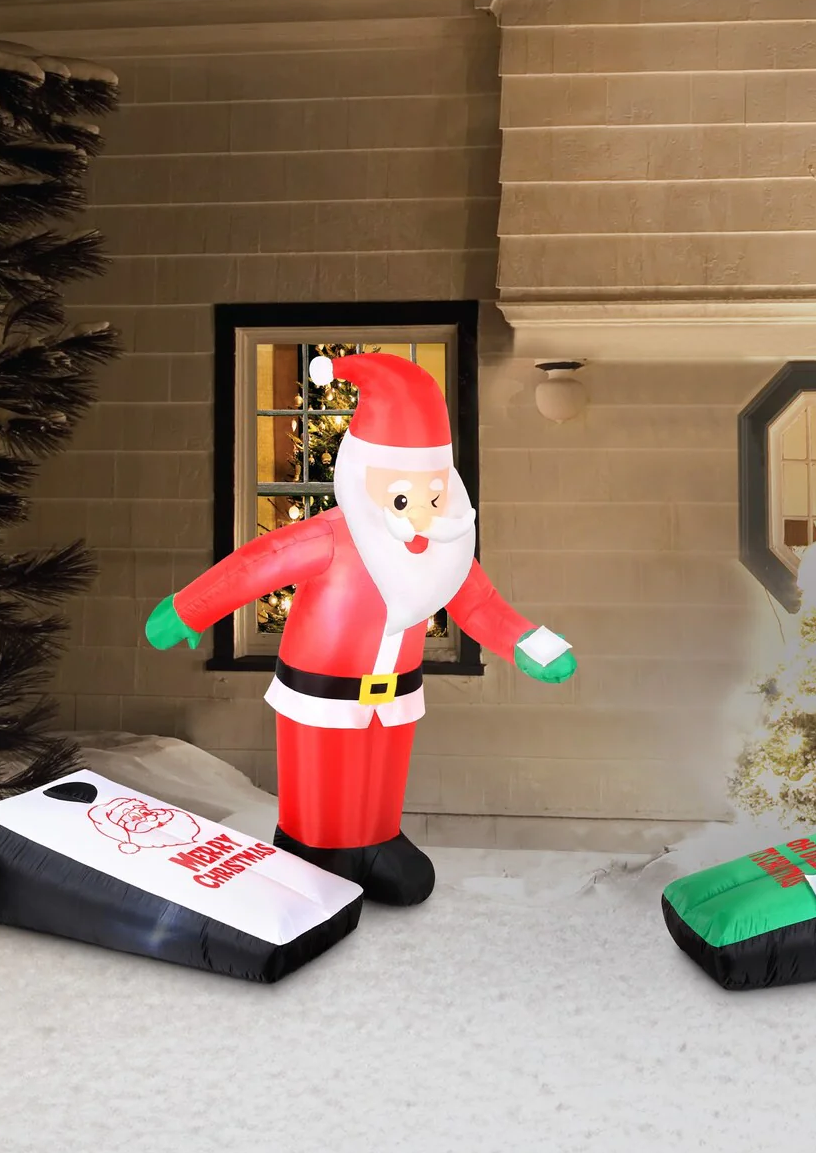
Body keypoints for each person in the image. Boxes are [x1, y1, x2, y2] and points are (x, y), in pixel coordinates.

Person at [145, 352, 577, 906]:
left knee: (381, 775)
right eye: (403, 497)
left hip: (396, 692)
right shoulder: (327, 537)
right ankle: (311, 849)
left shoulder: (444, 552)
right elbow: (255, 566)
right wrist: (188, 609)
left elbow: (481, 605)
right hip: (320, 688)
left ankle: (376, 840)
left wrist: (530, 644)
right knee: (322, 782)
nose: (421, 512)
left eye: (434, 495)